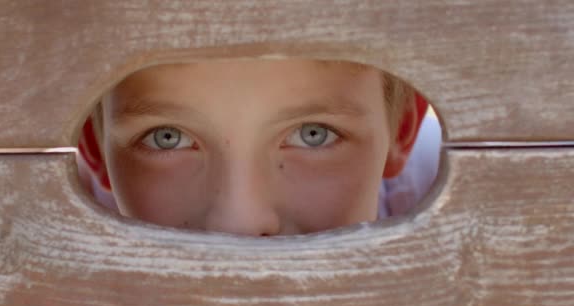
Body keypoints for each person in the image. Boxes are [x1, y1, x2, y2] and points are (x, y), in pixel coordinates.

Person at [77, 59, 434, 236]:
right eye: (166, 136)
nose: (240, 223)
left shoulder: (435, 189)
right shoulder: (48, 241)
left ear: (400, 127)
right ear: (94, 146)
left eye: (314, 134)